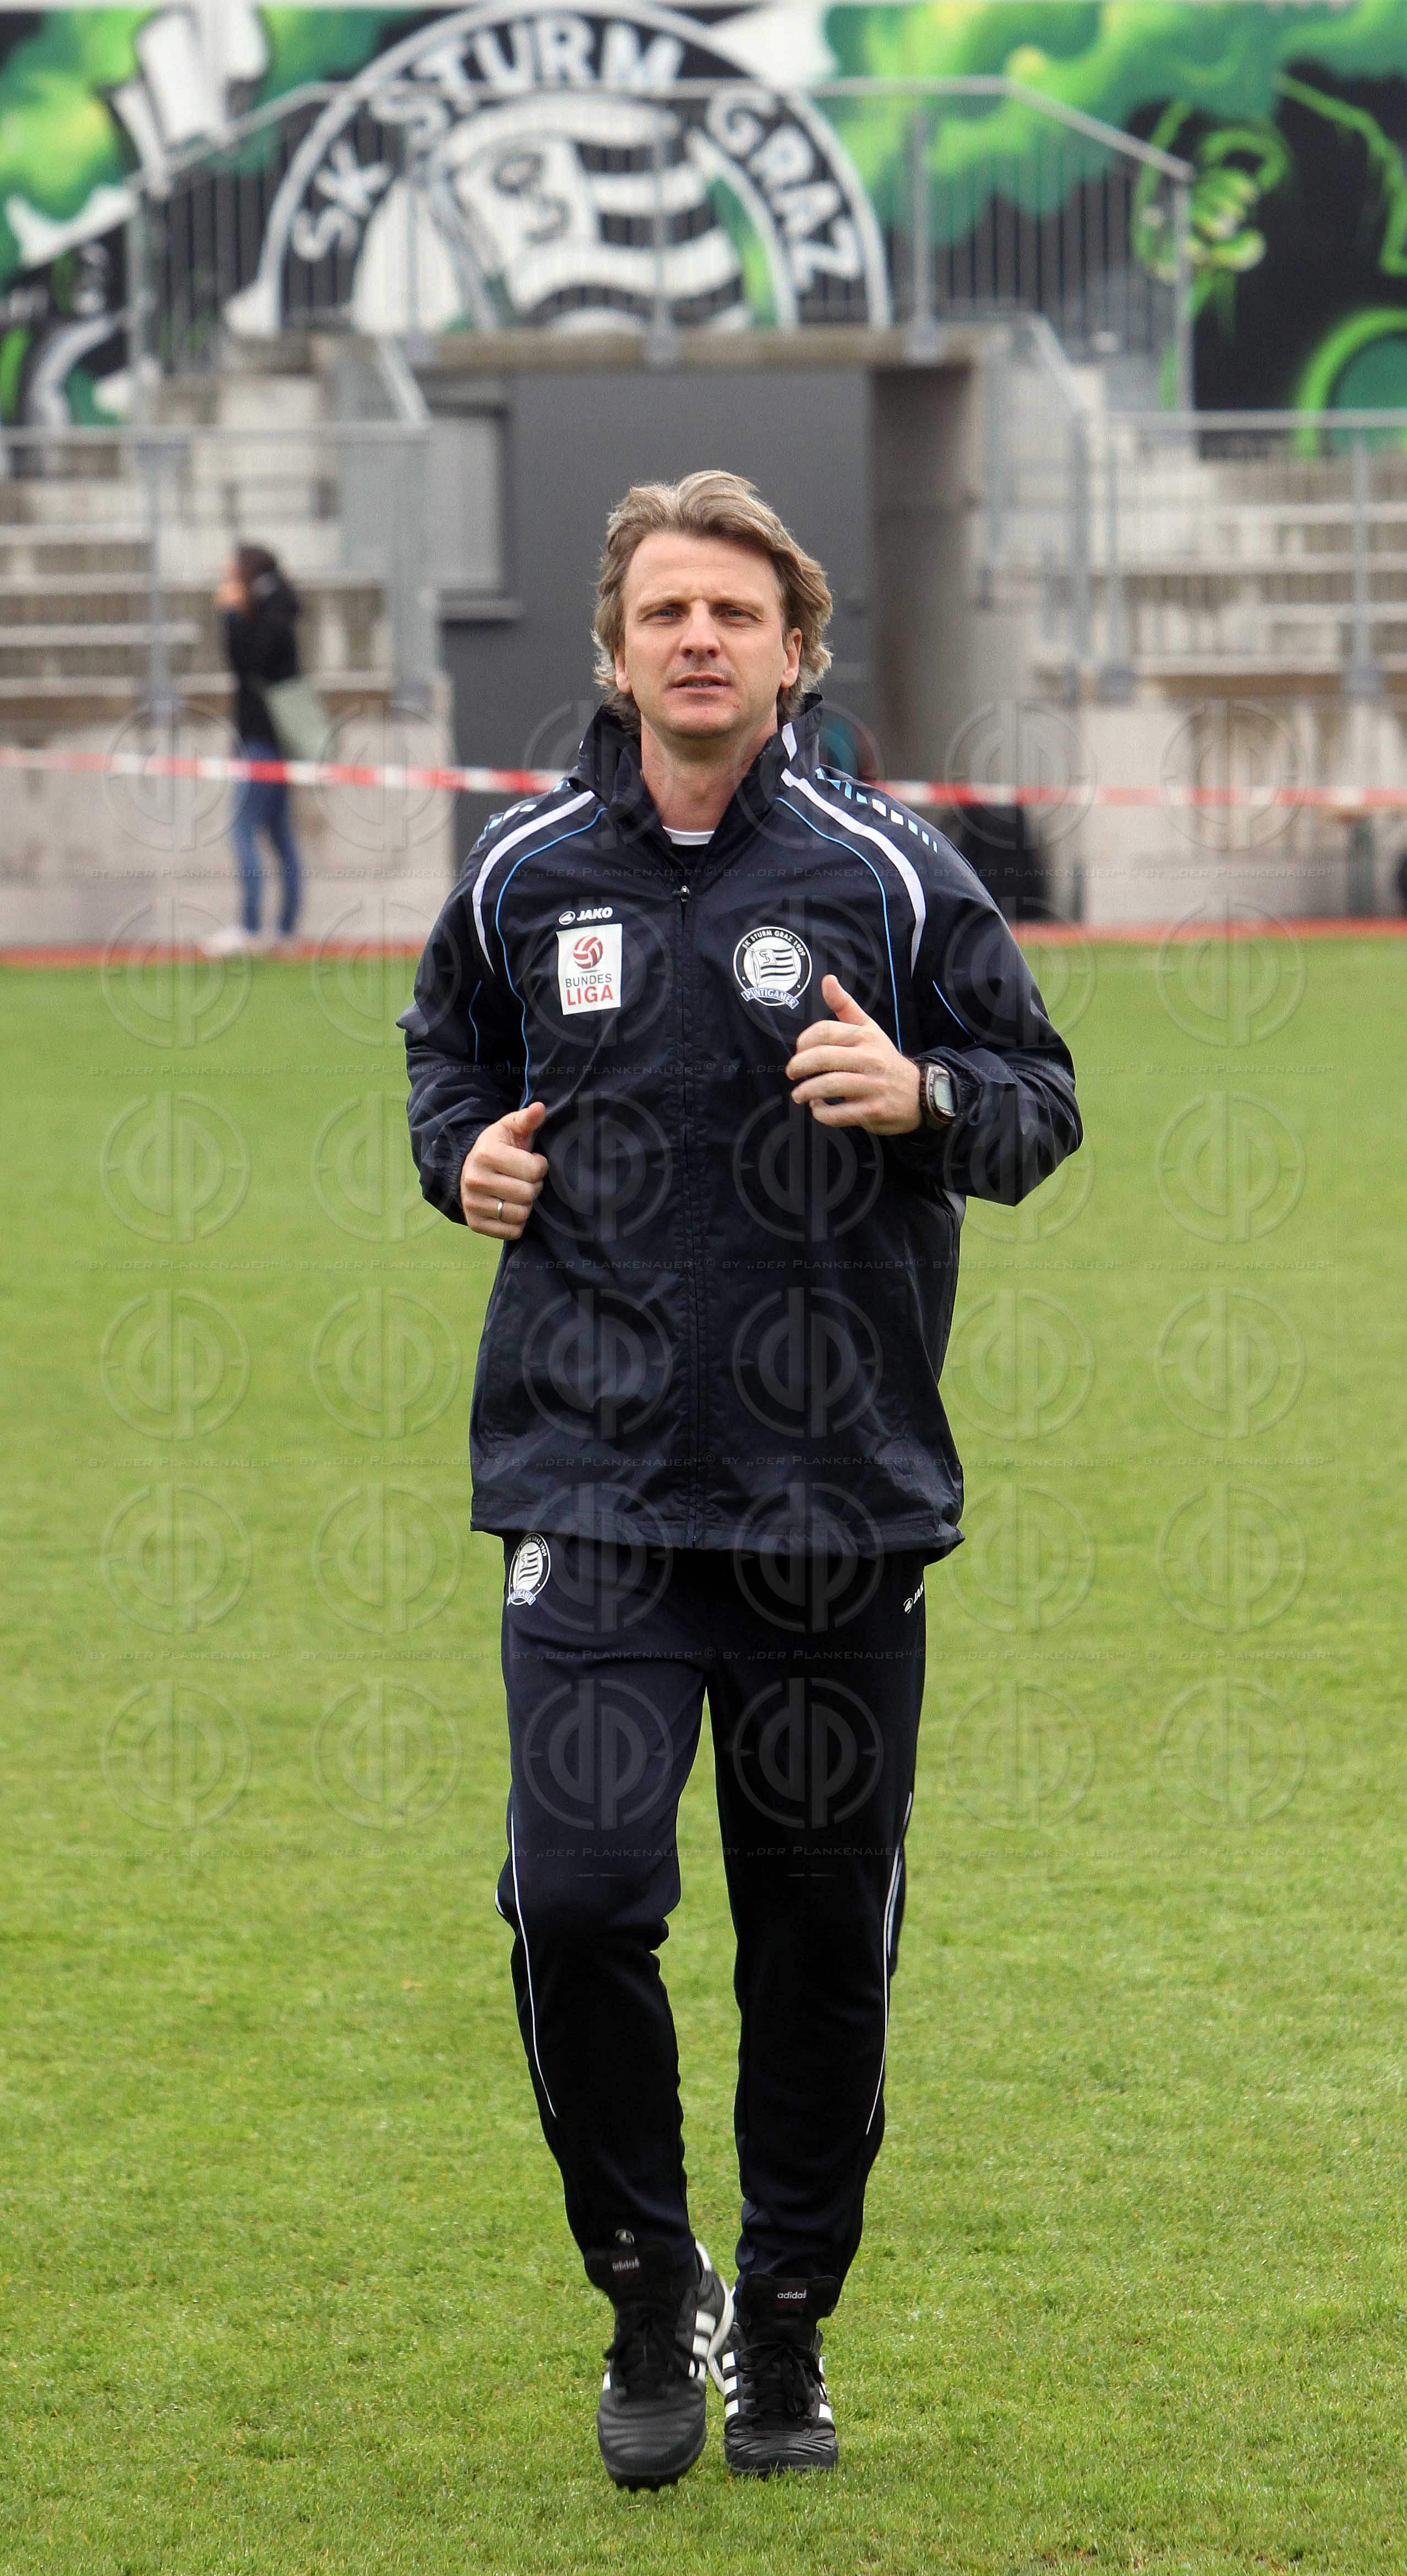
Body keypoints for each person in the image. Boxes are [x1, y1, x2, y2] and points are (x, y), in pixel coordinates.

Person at [399, 472, 1082, 2491]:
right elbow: (446, 1057)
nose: (698, 640)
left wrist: (927, 1094)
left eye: (737, 612)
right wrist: (462, 1161)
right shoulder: (523, 868)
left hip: (833, 1511)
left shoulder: (891, 875)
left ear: (795, 649)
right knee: (578, 1899)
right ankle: (643, 2285)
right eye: (663, 612)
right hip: (592, 1489)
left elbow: (1039, 1104)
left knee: (813, 1941)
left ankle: (781, 2320)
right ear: (610, 650)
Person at [205, 543, 304, 954]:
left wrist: (231, 615)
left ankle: (251, 927)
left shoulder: (271, 611)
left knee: (245, 829)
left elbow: (248, 661)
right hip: (264, 738)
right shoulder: (276, 606)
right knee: (280, 835)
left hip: (266, 740)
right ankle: (283, 930)